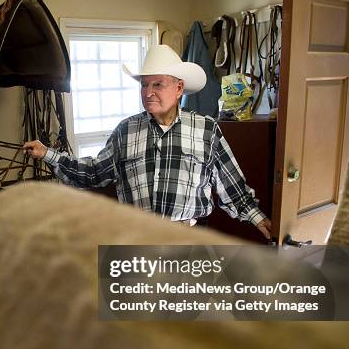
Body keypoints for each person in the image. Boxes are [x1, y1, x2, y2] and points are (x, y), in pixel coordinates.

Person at [23, 45, 271, 239]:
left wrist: (259, 218)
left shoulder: (206, 129)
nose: (147, 92)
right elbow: (93, 172)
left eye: (158, 84)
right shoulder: (126, 131)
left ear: (179, 88)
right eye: (144, 84)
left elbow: (232, 184)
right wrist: (47, 153)